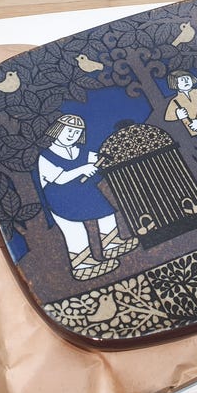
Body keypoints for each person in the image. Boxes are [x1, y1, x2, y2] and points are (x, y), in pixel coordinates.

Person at [36, 114, 139, 281]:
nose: (72, 135)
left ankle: (112, 245)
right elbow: (60, 179)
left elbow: (100, 159)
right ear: (57, 130)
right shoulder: (46, 156)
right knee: (75, 231)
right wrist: (83, 169)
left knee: (106, 214)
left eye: (77, 132)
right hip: (61, 200)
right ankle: (83, 265)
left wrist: (104, 160)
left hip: (84, 193)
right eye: (69, 130)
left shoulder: (81, 151)